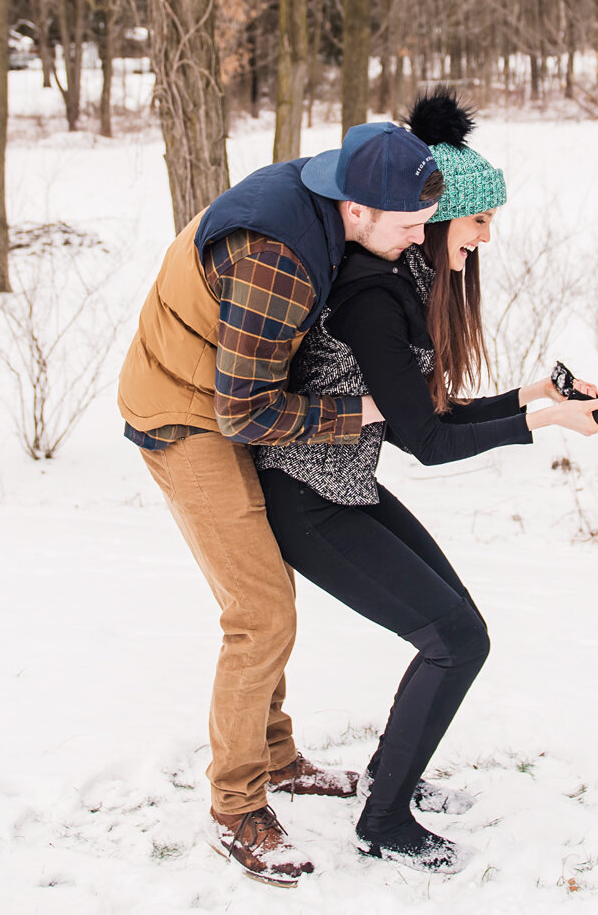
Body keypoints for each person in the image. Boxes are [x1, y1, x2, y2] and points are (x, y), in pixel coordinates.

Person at [252, 89, 598, 873]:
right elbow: (428, 442)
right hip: (307, 501)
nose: (484, 238)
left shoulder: (400, 280)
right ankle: (384, 820)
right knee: (456, 639)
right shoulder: (374, 296)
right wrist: (541, 426)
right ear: (437, 219)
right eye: (477, 221)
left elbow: (424, 410)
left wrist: (530, 396)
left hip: (343, 485)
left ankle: (393, 776)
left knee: (459, 630)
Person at [115, 119, 445, 888]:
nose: (415, 242)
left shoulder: (333, 195)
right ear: (357, 210)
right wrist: (357, 414)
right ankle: (236, 804)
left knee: (270, 591)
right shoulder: (279, 260)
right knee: (260, 610)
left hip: (217, 389)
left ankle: (274, 751)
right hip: (185, 413)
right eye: (408, 229)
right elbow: (245, 412)